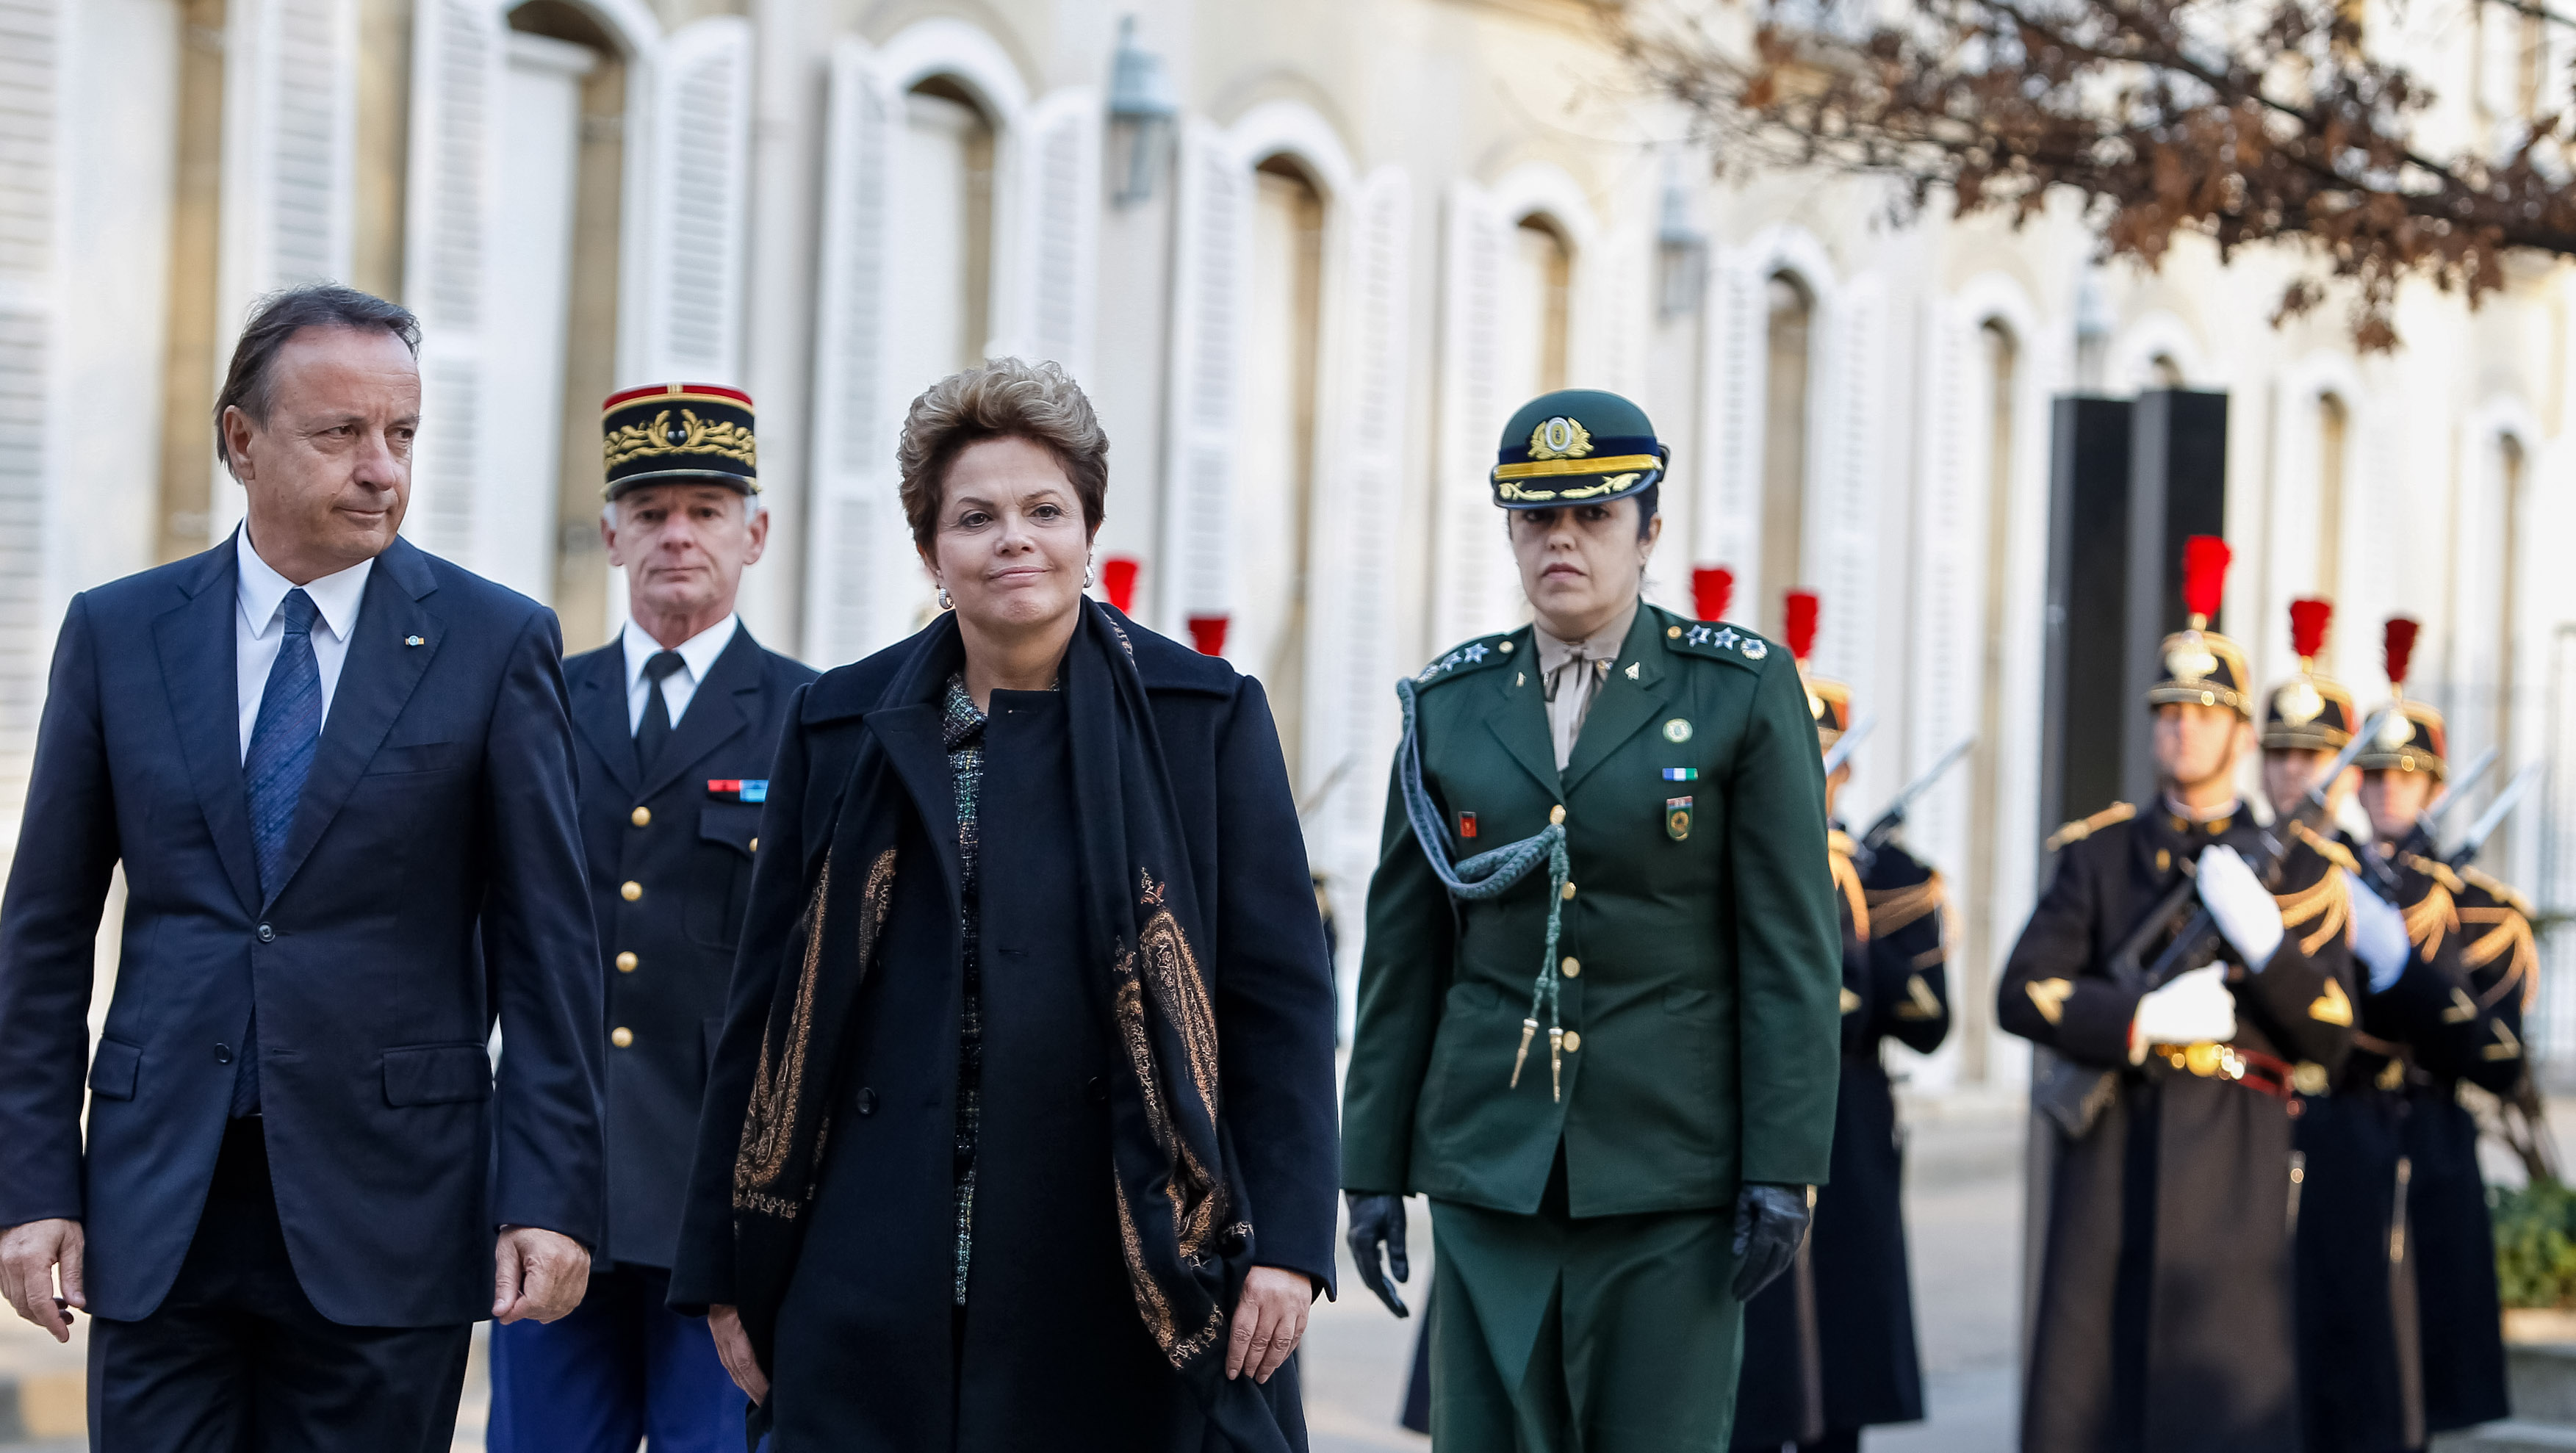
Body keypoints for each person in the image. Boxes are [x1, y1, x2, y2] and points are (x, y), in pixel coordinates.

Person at [669, 358, 1339, 1452]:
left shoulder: (1201, 718)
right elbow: (761, 1013)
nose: (1011, 538)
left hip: (1130, 1252)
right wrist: (721, 1266)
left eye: (1043, 510)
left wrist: (1291, 1244)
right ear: (932, 549)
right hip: (868, 1256)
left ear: (1088, 532)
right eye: (974, 516)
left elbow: (1279, 1003)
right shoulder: (835, 722)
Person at [0, 284, 602, 1449]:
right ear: (242, 439)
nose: (382, 467)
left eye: (403, 435)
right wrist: (32, 1187)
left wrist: (550, 1191)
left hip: (391, 1206)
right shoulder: (120, 633)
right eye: (341, 434)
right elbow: (43, 936)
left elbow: (550, 951)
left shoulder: (493, 641)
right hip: (158, 1200)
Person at [1341, 388, 1841, 1452]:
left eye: (1593, 515)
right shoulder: (1448, 704)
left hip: (1672, 1163)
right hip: (1493, 1159)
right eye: (1534, 517)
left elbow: (1789, 950)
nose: (1559, 539)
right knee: (1489, 1435)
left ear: (1648, 529)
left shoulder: (1738, 691)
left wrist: (1782, 1161)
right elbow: (1404, 955)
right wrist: (1368, 1164)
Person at [486, 383, 816, 1453]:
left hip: (721, 1201)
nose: (679, 533)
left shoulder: (815, 720)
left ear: (754, 532)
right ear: (611, 532)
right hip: (552, 1185)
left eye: (707, 508)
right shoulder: (533, 702)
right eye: (653, 508)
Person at [1998, 538, 2357, 1453]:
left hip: (2234, 1152)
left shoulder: (2304, 873)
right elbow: (2021, 992)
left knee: (2221, 1405)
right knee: (2094, 1399)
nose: (2180, 730)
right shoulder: (2099, 854)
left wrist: (2266, 942)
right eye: (2166, 713)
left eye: (2203, 714)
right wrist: (2133, 1019)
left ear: (2241, 733)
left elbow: (2330, 1038)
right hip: (2116, 1147)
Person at [1733, 591, 1948, 1453]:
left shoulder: (1890, 874)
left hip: (1847, 1125)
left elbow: (1929, 1021)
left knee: (1842, 1363)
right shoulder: (1730, 857)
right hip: (1746, 1120)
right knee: (1751, 1363)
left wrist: (1845, 910)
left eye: (1826, 754)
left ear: (1847, 768)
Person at [2259, 601, 2433, 1453]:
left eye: (2312, 758)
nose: (2293, 774)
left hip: (2352, 1130)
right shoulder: (2237, 859)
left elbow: (2416, 1013)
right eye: (2278, 755)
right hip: (2253, 1127)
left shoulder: (2377, 884)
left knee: (2350, 1356)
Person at [2348, 616, 2522, 1443]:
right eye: (2374, 774)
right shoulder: (2318, 885)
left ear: (2433, 790)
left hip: (2428, 1135)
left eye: (2406, 777)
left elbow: (2499, 1060)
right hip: (2334, 1128)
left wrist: (2418, 979)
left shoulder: (2479, 908)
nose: (2388, 790)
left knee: (2418, 1372)